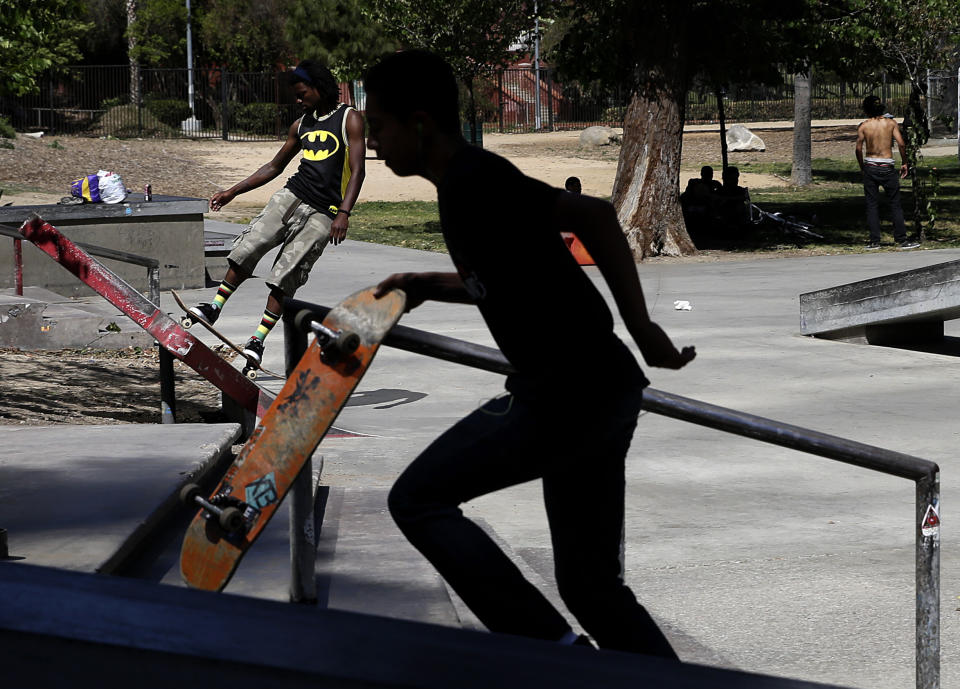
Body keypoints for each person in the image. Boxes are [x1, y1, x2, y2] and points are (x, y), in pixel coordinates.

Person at [365, 50, 695, 657]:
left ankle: (549, 653)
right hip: (598, 390)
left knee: (417, 499)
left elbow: (594, 217)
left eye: (379, 127)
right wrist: (426, 286)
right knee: (592, 587)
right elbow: (511, 277)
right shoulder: (462, 184)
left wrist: (642, 325)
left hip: (566, 394)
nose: (373, 145)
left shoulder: (472, 180)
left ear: (418, 123)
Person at [190, 59, 366, 365]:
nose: (297, 100)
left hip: (326, 212)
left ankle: (257, 341)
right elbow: (274, 166)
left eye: (302, 93)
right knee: (251, 245)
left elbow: (359, 170)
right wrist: (233, 190)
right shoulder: (301, 124)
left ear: (319, 88)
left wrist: (344, 213)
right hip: (292, 196)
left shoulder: (349, 119)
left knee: (286, 275)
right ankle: (214, 307)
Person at [856, 95, 919, 250]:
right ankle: (901, 239)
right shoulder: (890, 124)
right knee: (895, 203)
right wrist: (905, 162)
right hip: (887, 166)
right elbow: (901, 144)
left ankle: (875, 241)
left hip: (871, 165)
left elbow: (858, 149)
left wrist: (862, 167)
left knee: (872, 204)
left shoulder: (864, 126)